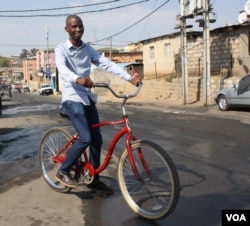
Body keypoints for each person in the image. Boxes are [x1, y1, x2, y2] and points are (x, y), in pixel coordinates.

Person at [55, 15, 140, 194]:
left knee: (97, 140)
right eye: (73, 27)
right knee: (85, 138)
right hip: (71, 98)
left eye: (80, 26)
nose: (77, 29)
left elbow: (106, 64)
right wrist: (78, 79)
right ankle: (63, 171)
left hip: (86, 97)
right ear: (67, 29)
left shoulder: (88, 49)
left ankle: (93, 180)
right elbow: (62, 69)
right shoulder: (60, 49)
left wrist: (129, 78)